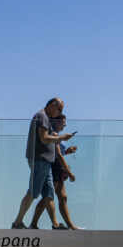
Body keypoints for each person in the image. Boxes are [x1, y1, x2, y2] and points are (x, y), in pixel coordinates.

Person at [11, 98, 75, 229]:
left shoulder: (45, 118)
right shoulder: (42, 116)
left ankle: (55, 224)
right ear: (52, 105)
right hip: (40, 160)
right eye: (60, 109)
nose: (60, 113)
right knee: (33, 192)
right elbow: (44, 138)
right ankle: (17, 222)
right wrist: (61, 137)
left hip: (46, 162)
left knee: (49, 194)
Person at [30, 113, 80, 229]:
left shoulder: (57, 136)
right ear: (56, 122)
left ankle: (70, 225)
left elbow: (59, 153)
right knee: (48, 197)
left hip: (57, 168)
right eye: (63, 123)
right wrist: (69, 172)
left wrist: (67, 151)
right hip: (54, 168)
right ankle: (34, 223)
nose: (65, 125)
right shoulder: (54, 134)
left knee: (62, 197)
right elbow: (58, 155)